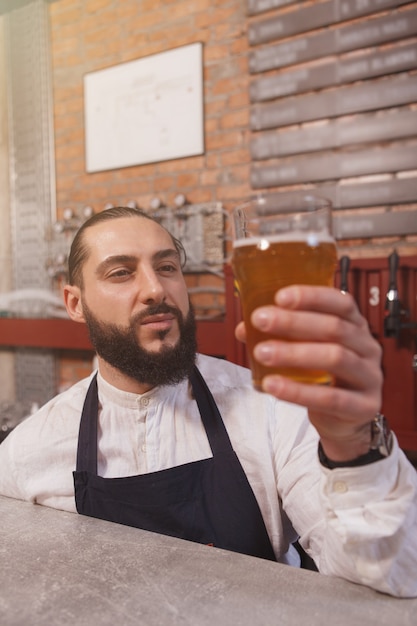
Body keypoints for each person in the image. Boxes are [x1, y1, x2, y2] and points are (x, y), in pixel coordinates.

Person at [0, 206, 416, 597]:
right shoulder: (26, 454)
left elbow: (393, 578)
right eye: (121, 272)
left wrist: (353, 447)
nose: (155, 289)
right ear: (75, 302)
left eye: (167, 268)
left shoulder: (272, 409)